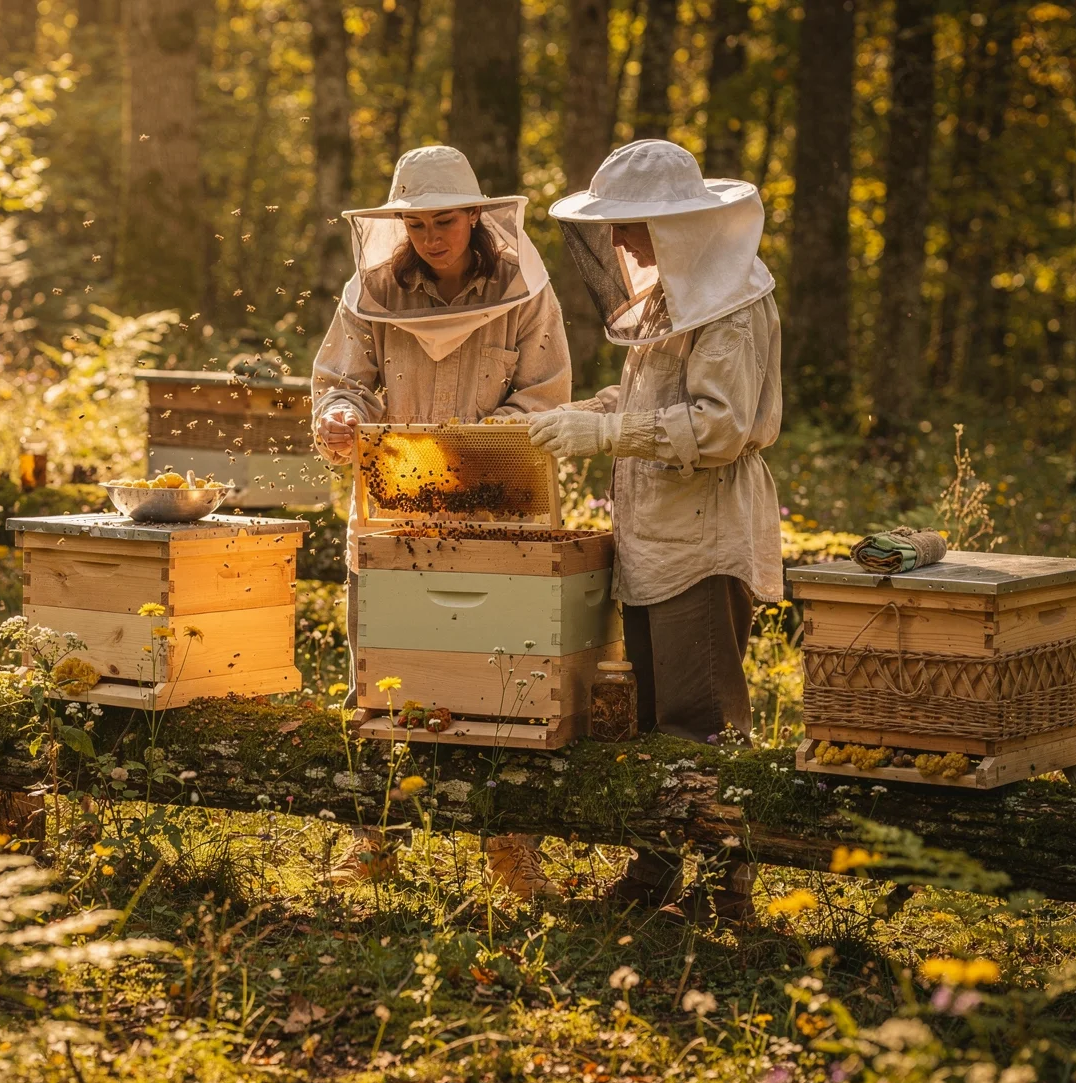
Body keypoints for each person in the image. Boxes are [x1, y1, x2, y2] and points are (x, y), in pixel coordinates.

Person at [528, 139, 783, 910]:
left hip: (702, 546)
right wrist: (595, 410)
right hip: (655, 539)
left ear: (675, 225)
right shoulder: (676, 296)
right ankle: (655, 877)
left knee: (700, 723)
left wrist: (607, 433)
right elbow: (652, 401)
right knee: (649, 724)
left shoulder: (731, 306)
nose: (618, 241)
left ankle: (728, 890)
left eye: (631, 225)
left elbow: (720, 427)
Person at [310, 144, 571, 897]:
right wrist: (338, 416)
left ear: (476, 218)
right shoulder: (372, 290)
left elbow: (546, 394)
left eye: (445, 221)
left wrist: (473, 452)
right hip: (394, 509)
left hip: (500, 508)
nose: (431, 237)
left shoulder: (524, 290)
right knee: (383, 676)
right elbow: (342, 381)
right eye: (417, 224)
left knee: (508, 682)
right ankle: (373, 841)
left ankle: (511, 847)